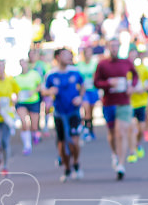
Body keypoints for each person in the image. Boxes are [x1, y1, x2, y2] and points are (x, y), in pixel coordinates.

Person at [93, 38, 136, 180]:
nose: (114, 49)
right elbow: (96, 82)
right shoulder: (102, 64)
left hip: (124, 101)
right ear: (108, 47)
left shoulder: (126, 62)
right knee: (112, 133)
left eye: (116, 46)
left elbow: (135, 75)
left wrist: (131, 86)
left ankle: (121, 165)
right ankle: (115, 154)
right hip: (109, 102)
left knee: (121, 132)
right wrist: (108, 83)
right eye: (112, 46)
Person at [44, 48, 85, 181]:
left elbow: (83, 86)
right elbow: (43, 91)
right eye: (65, 55)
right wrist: (50, 92)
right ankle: (67, 168)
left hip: (73, 111)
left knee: (74, 140)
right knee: (62, 144)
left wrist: (80, 97)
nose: (68, 57)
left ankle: (76, 163)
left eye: (69, 55)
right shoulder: (51, 74)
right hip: (59, 113)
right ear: (57, 57)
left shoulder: (75, 71)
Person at [14, 57, 43, 154]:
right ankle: (27, 145)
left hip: (33, 101)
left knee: (34, 126)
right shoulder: (16, 78)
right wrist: (15, 97)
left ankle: (35, 134)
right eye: (21, 64)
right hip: (21, 102)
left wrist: (34, 91)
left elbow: (40, 85)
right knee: (24, 122)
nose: (23, 66)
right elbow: (14, 91)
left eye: (24, 63)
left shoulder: (34, 75)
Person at [75, 45, 99, 142]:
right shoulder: (79, 65)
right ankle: (86, 130)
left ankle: (90, 128)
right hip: (83, 91)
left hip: (92, 90)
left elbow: (97, 76)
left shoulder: (95, 64)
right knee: (86, 109)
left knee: (90, 112)